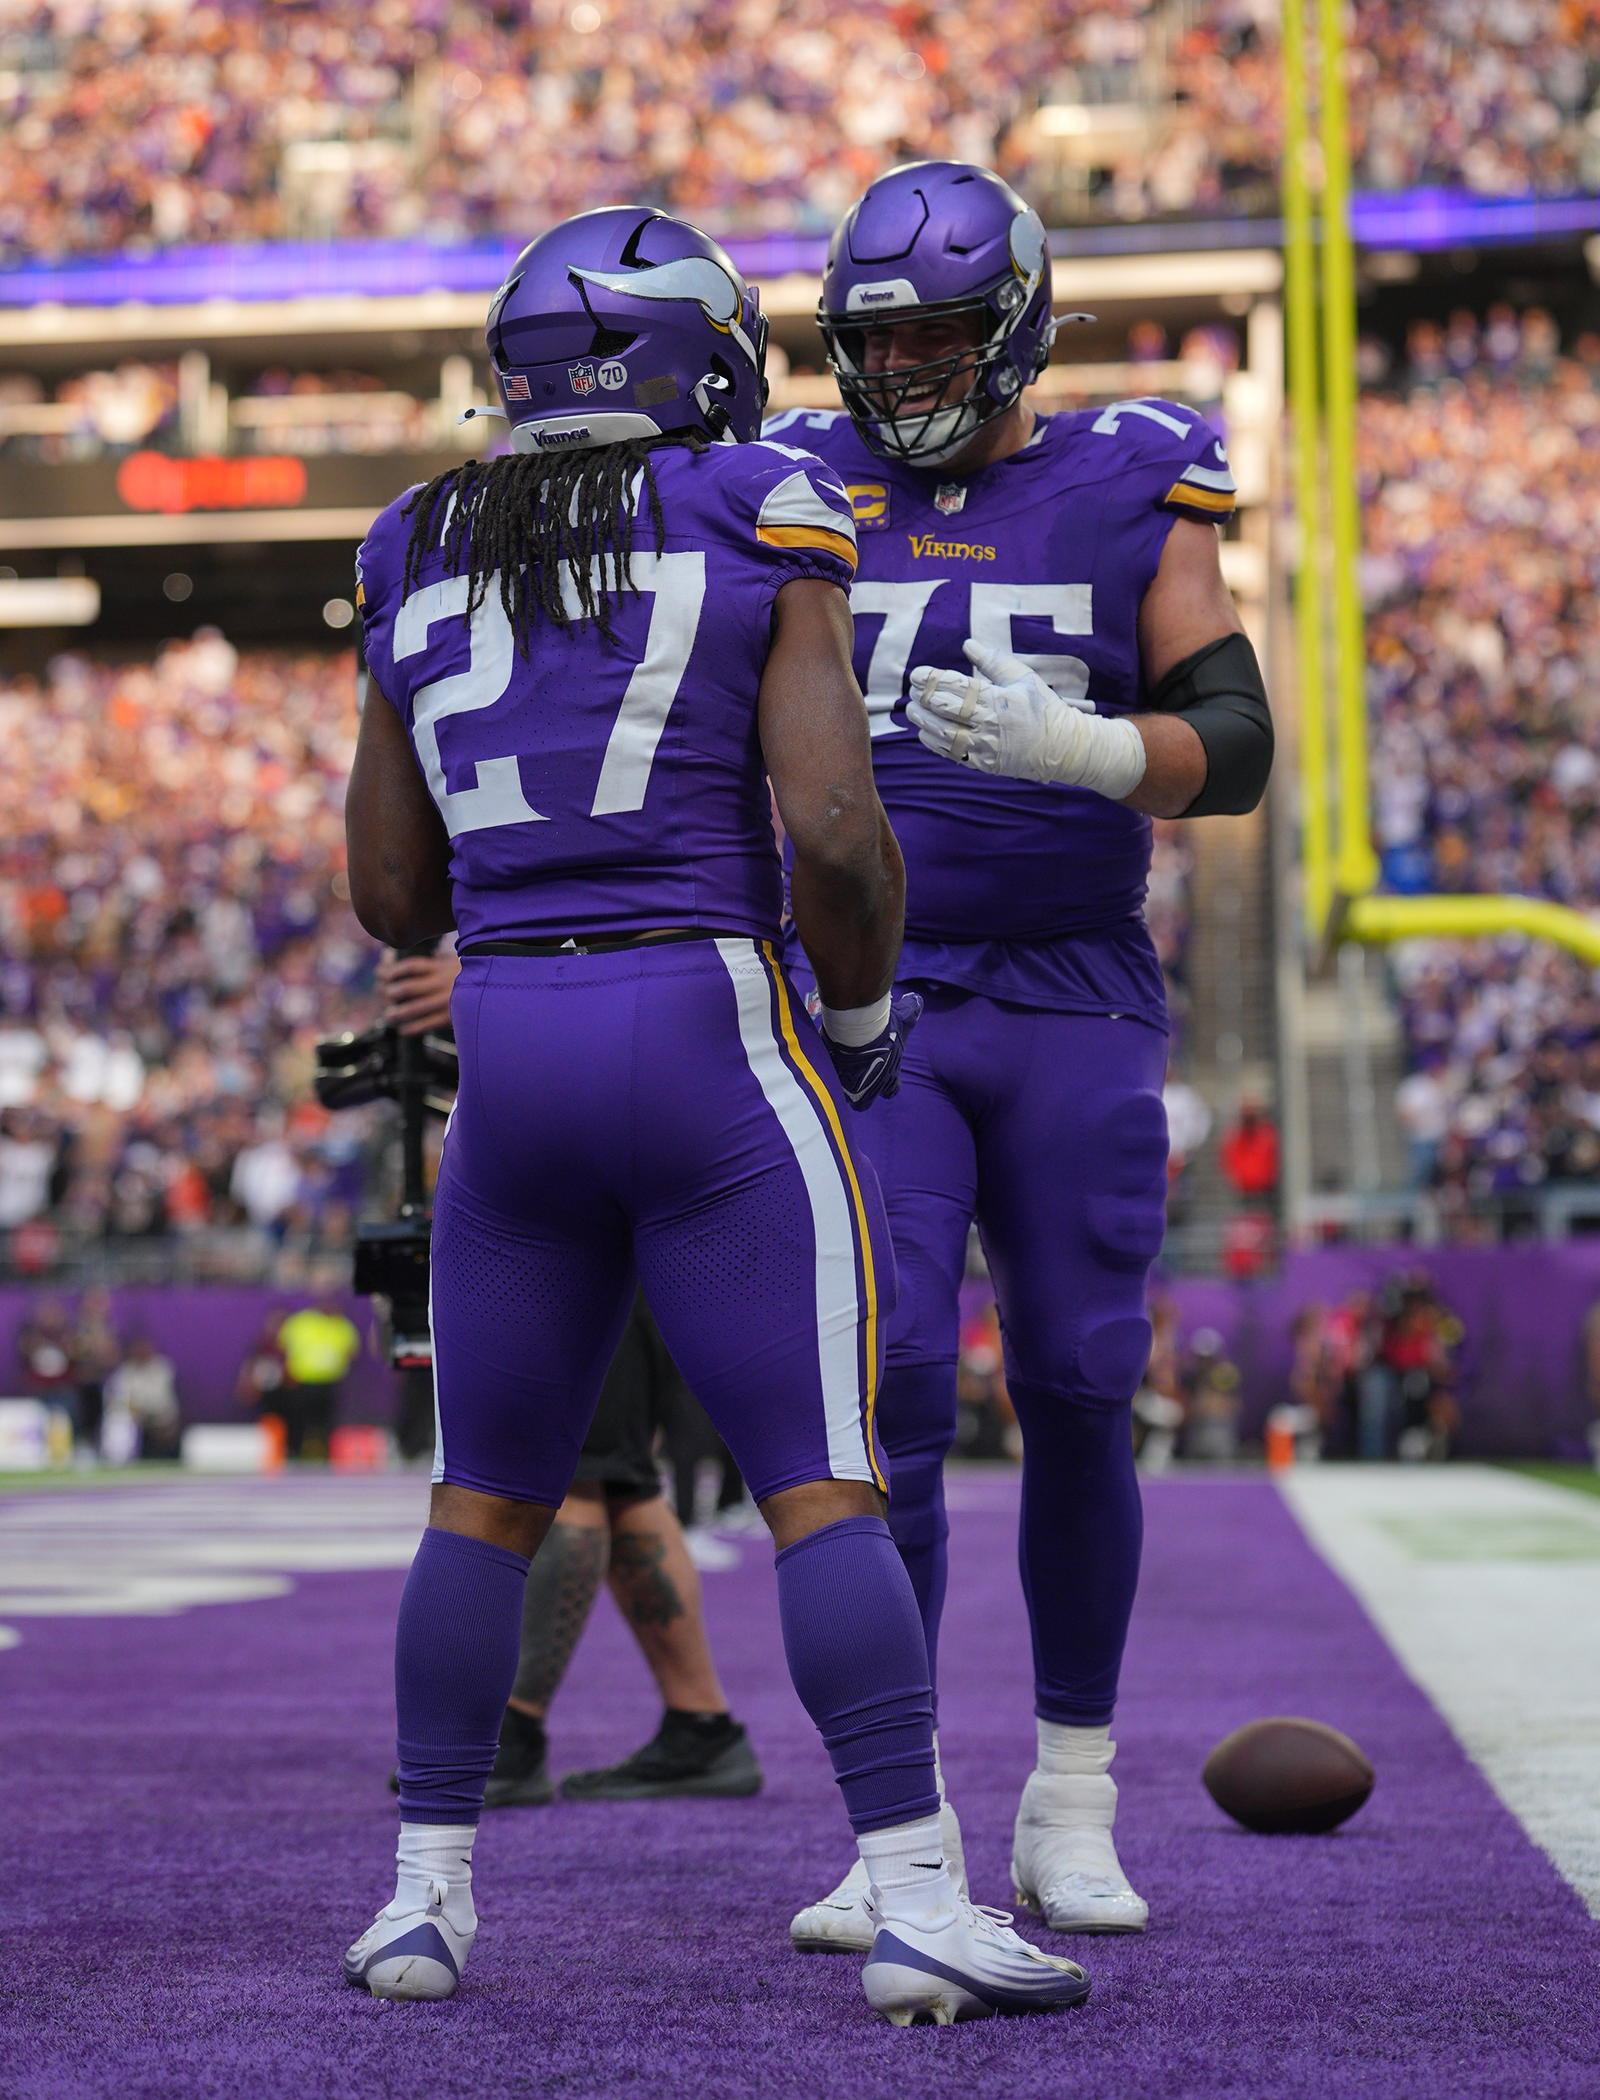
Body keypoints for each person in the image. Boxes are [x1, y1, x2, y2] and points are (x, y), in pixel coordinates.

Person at [340, 205, 1088, 2026]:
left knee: (480, 1501)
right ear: (705, 359)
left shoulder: (413, 536)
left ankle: (423, 1900)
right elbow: (834, 830)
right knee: (823, 1484)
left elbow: (390, 892)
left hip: (510, 1043)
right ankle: (916, 1895)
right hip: (705, 1022)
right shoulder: (761, 498)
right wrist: (860, 1017)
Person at [766, 161, 1272, 1947]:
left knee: (1078, 1377)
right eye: (879, 339)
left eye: (940, 337)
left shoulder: (1135, 471)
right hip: (868, 994)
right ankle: (898, 1824)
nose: (904, 371)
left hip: (1069, 991)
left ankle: (1072, 1798)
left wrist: (1095, 752)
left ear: (1023, 326)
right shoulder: (791, 479)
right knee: (890, 1390)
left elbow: (1238, 737)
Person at [376, 947, 760, 1805]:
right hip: (616, 1171)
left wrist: (476, 993)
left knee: (578, 1473)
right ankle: (701, 1724)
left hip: (586, 1184)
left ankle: (513, 1729)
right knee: (621, 1478)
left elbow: (607, 967)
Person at [275, 1295, 361, 1459]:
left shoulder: (342, 1325)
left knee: (327, 1419)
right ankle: (295, 1450)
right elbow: (284, 1348)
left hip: (330, 1381)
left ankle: (327, 1451)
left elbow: (352, 1352)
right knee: (299, 1418)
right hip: (303, 1379)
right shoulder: (302, 1322)